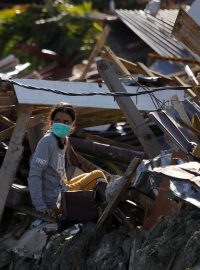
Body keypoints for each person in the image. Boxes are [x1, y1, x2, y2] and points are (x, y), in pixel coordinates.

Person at [28, 103, 107, 214]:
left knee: (90, 176)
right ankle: (101, 210)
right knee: (98, 175)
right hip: (55, 199)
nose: (61, 124)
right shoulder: (47, 141)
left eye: (66, 122)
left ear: (72, 124)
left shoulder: (64, 140)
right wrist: (40, 206)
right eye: (58, 120)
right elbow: (34, 175)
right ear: (51, 122)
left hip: (62, 189)